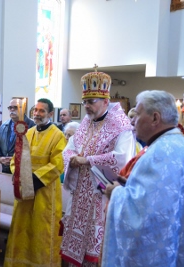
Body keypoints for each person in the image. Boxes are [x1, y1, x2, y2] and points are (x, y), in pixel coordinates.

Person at [102, 90, 184, 266]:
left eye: (137, 114)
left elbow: (146, 218)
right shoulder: (175, 144)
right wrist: (129, 187)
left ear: (155, 118)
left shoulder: (161, 153)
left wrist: (116, 193)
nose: (132, 121)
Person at [60, 71, 135, 266]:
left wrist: (89, 160)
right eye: (85, 102)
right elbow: (70, 147)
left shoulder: (121, 125)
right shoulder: (86, 122)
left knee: (97, 251)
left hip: (101, 194)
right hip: (80, 196)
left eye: (91, 102)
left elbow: (122, 159)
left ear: (105, 100)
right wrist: (73, 157)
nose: (86, 107)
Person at [4, 98, 66, 266]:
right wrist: (17, 175)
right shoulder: (28, 132)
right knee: (22, 230)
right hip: (24, 192)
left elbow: (58, 164)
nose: (37, 114)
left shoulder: (57, 136)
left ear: (51, 114)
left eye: (41, 111)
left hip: (44, 193)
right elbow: (15, 158)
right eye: (35, 111)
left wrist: (33, 179)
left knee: (41, 231)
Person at [0, 98, 35, 174]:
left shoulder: (32, 126)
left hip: (23, 171)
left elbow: (34, 149)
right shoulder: (4, 125)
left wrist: (16, 159)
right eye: (10, 107)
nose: (12, 110)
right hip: (6, 169)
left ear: (23, 109)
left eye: (15, 107)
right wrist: (0, 157)